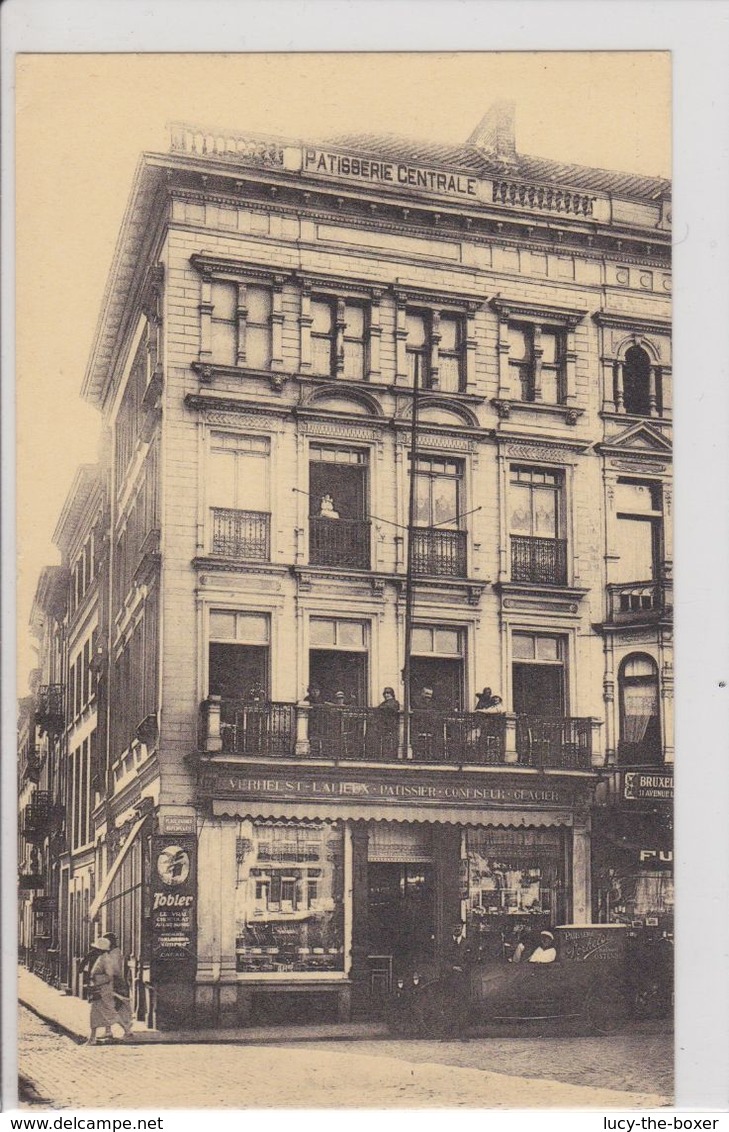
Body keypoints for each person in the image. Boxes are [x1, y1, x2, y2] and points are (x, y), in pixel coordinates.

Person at [86, 936, 130, 1044]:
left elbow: (109, 976)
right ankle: (92, 1038)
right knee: (96, 1013)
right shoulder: (102, 957)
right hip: (99, 989)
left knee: (109, 1012)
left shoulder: (105, 959)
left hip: (103, 990)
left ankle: (126, 1029)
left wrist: (97, 981)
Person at [104, 932, 133, 1040]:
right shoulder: (112, 952)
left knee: (111, 1007)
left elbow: (115, 970)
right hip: (113, 982)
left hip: (115, 983)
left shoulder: (115, 953)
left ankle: (125, 1028)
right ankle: (109, 1030)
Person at [375, 687, 400, 757]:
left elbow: (389, 708)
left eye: (388, 693)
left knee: (389, 742)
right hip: (383, 725)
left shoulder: (394, 702)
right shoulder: (384, 703)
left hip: (390, 725)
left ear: (392, 694)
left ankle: (389, 755)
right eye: (385, 693)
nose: (386, 695)